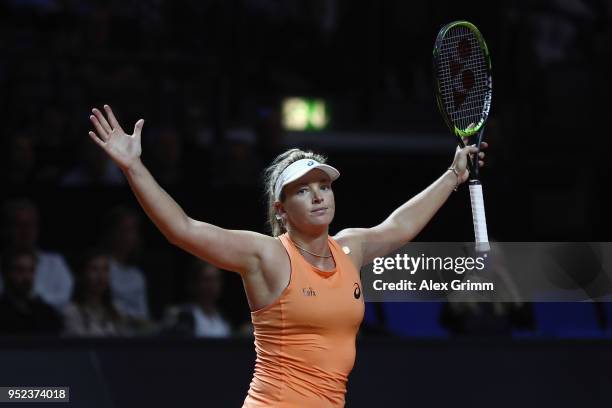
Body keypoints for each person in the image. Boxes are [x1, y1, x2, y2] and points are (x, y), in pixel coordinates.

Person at [87, 105, 487, 407]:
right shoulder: (266, 256)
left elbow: (398, 226)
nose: (317, 195)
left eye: (323, 187)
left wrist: (453, 175)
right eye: (302, 190)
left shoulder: (350, 248)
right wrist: (133, 167)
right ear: (280, 208)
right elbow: (183, 230)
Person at [0, 198, 74, 310]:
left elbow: (65, 297)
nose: (26, 231)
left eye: (31, 224)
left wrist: (33, 301)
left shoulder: (55, 262)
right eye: (19, 224)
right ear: (7, 229)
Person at [62, 248, 128, 337]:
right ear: (83, 274)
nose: (101, 276)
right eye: (94, 269)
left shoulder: (117, 311)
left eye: (105, 269)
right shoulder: (72, 312)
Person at [0, 247, 63, 335]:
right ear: (5, 273)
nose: (27, 277)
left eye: (31, 270)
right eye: (19, 270)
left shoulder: (46, 313)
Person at [162, 259, 232, 338]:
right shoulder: (183, 316)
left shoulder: (223, 317)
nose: (212, 285)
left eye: (216, 279)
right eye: (207, 280)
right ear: (195, 283)